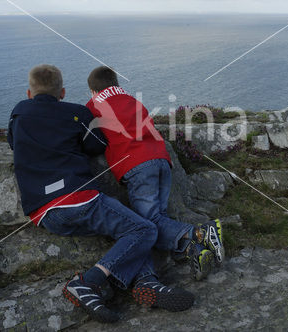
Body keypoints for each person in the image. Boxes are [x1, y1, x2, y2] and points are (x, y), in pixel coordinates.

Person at [8, 64, 194, 324]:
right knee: (144, 229)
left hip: (43, 213)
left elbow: (13, 143)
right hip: (79, 199)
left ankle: (145, 283)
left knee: (127, 228)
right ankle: (88, 282)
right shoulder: (75, 113)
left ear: (29, 93)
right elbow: (95, 145)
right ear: (62, 92)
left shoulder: (18, 114)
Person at [86, 66, 225, 280]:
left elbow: (89, 137)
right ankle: (194, 250)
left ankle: (198, 232)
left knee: (146, 224)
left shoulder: (94, 105)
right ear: (116, 84)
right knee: (159, 218)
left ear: (93, 91)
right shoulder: (133, 100)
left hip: (137, 165)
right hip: (161, 159)